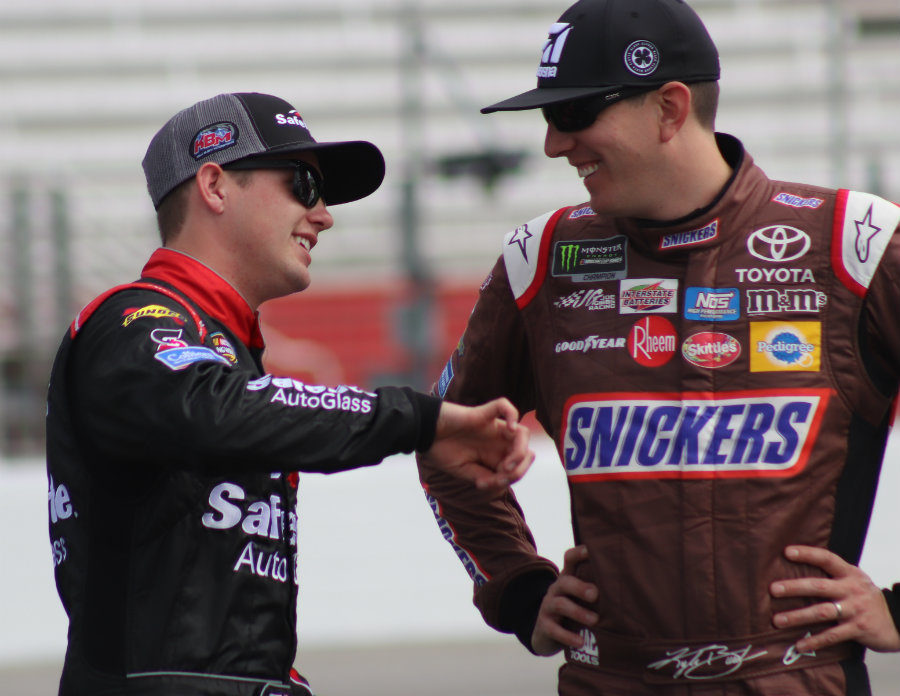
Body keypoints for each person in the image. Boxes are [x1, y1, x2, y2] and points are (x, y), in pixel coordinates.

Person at [417, 0, 900, 693]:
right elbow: (443, 441)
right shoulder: (542, 260)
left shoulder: (854, 244)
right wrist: (519, 589)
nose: (555, 144)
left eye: (574, 115)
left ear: (670, 109)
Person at [45, 91, 534, 696]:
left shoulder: (224, 350)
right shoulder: (133, 320)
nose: (324, 214)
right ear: (215, 186)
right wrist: (419, 420)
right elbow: (216, 411)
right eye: (303, 185)